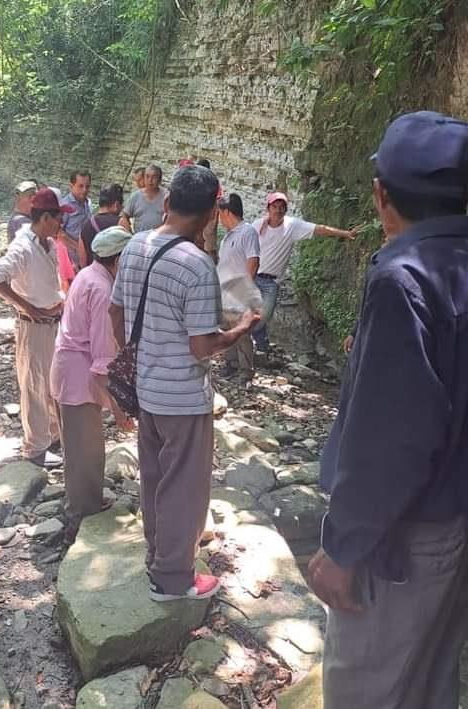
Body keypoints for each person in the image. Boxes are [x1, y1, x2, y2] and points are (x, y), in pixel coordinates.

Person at [308, 111, 468, 709]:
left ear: (381, 195)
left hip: (407, 537)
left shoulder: (404, 280)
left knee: (365, 689)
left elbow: (391, 440)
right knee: (429, 680)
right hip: (458, 519)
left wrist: (345, 548)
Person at [109, 166, 259, 602]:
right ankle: (173, 579)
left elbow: (116, 312)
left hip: (146, 389)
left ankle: (158, 556)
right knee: (184, 488)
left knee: (155, 479)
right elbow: (201, 346)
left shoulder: (135, 245)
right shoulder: (195, 264)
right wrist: (241, 328)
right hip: (182, 397)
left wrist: (140, 354)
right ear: (214, 211)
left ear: (168, 203)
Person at [51, 226, 133, 540]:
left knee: (87, 447)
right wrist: (118, 408)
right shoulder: (102, 290)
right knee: (82, 451)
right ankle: (79, 520)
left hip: (72, 370)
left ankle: (86, 503)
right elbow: (102, 360)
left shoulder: (90, 274)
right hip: (79, 376)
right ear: (119, 258)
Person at [0, 188, 69, 469]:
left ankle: (53, 436)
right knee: (34, 385)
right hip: (33, 326)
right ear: (46, 217)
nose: (62, 224)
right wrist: (26, 307)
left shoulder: (47, 244)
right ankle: (34, 449)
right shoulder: (23, 246)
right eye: (59, 218)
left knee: (53, 382)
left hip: (52, 323)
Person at [251, 192, 357, 354]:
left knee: (263, 316)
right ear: (268, 208)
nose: (278, 210)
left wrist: (345, 234)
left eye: (282, 207)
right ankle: (259, 347)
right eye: (275, 207)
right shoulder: (258, 225)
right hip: (253, 276)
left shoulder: (292, 226)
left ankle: (253, 341)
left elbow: (319, 229)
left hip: (271, 283)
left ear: (286, 210)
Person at [217, 194, 261, 382]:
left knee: (241, 332)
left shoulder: (247, 231)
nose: (219, 218)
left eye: (220, 213)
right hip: (225, 290)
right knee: (227, 330)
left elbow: (253, 261)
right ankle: (231, 364)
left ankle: (246, 371)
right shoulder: (228, 236)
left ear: (227, 212)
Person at [79, 183, 124, 268]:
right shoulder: (120, 223)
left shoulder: (85, 226)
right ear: (116, 205)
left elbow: (82, 262)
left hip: (92, 276)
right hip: (112, 278)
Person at [119, 164, 168, 234]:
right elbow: (123, 216)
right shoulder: (135, 196)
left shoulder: (167, 197)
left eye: (154, 177)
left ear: (159, 179)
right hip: (138, 239)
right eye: (147, 176)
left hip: (159, 239)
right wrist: (129, 235)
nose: (150, 180)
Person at [59, 170, 92, 268]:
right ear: (71, 186)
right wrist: (79, 248)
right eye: (80, 186)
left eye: (87, 186)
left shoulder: (87, 203)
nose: (84, 190)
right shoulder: (65, 206)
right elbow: (59, 233)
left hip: (85, 257)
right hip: (71, 261)